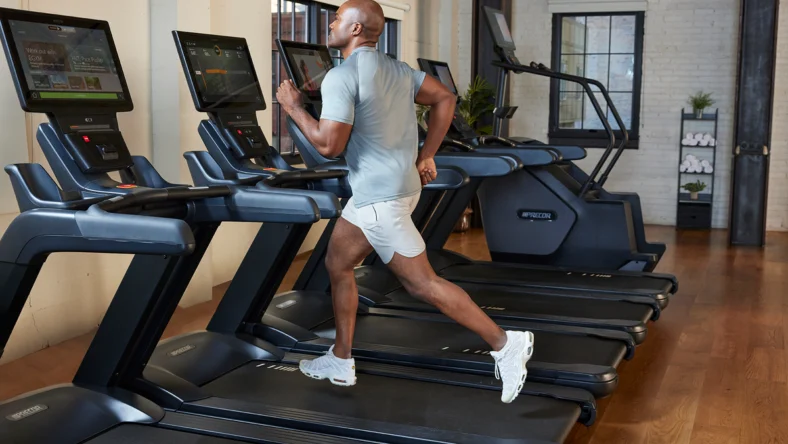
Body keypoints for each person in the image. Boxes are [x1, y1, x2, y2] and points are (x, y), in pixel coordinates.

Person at [275, 0, 533, 404]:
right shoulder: (398, 69)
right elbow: (445, 98)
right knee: (338, 263)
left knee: (422, 283)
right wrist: (426, 154)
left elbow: (328, 145)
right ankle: (341, 357)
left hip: (381, 197)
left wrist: (292, 108)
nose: (331, 24)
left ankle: (504, 342)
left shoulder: (341, 77)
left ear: (357, 29)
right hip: (397, 187)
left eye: (338, 18)